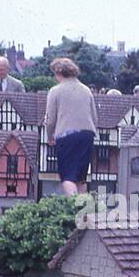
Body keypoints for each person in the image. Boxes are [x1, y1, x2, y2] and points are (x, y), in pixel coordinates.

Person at [42, 58, 97, 196]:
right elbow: (94, 117)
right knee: (81, 179)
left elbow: (49, 119)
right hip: (87, 135)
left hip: (67, 136)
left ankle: (73, 208)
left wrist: (50, 136)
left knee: (68, 177)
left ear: (58, 72)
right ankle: (84, 210)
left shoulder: (55, 91)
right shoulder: (86, 90)